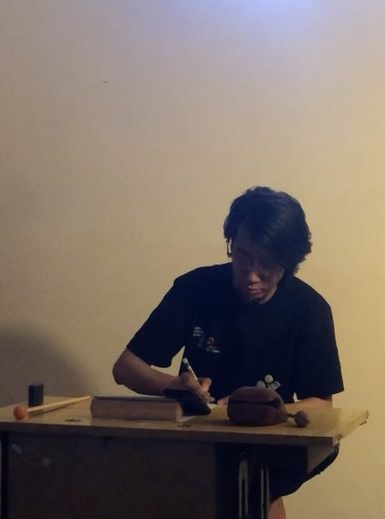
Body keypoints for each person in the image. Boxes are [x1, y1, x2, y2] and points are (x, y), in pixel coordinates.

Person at [112, 186, 343, 497]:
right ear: (231, 243)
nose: (252, 275)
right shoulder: (195, 288)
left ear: (289, 261)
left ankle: (251, 512)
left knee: (290, 466)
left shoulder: (309, 309)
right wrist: (173, 385)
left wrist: (263, 411)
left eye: (267, 263)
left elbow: (321, 404)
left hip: (268, 446)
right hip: (198, 440)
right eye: (243, 256)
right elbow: (125, 368)